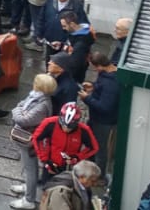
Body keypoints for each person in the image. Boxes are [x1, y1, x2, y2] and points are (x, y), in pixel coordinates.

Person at [8, 73, 58, 210]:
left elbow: (23, 119)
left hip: (29, 141)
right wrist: (20, 109)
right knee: (30, 167)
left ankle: (29, 199)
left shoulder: (42, 105)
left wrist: (16, 111)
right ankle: (29, 186)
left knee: (30, 168)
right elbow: (22, 104)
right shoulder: (36, 96)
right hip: (27, 139)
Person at [79, 50, 120, 178]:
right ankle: (91, 164)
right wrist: (93, 87)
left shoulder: (111, 84)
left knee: (100, 148)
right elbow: (102, 88)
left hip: (103, 121)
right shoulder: (110, 73)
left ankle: (99, 176)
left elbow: (105, 107)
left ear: (99, 66)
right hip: (98, 118)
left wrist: (87, 98)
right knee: (94, 143)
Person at [30, 102, 99, 179]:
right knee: (45, 186)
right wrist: (45, 160)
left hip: (70, 168)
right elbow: (36, 138)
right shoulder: (49, 123)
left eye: (70, 127)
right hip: (51, 163)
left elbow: (93, 147)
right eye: (63, 125)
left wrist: (77, 157)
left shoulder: (84, 130)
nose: (66, 129)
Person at [39, 159, 104, 210]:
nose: (95, 184)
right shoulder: (60, 191)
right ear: (82, 177)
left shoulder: (83, 186)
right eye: (92, 181)